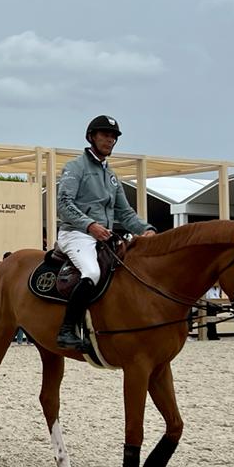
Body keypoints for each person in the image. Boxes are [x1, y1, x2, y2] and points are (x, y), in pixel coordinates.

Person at [55, 115, 155, 350]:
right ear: (91, 137)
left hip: (104, 236)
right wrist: (90, 225)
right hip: (76, 233)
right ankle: (67, 329)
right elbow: (64, 203)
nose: (109, 140)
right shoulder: (75, 167)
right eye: (104, 135)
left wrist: (148, 230)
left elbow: (126, 213)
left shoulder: (111, 176)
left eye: (113, 137)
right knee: (92, 272)